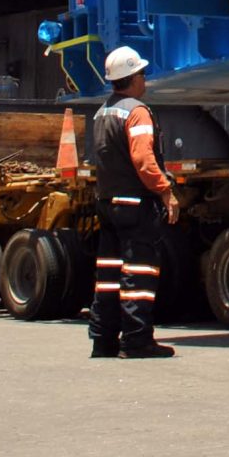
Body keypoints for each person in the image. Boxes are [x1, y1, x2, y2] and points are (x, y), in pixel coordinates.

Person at [87, 47, 178, 359]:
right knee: (139, 273)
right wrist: (165, 190)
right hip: (135, 204)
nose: (145, 80)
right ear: (133, 77)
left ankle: (104, 340)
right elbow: (143, 159)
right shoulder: (137, 111)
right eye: (142, 74)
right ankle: (137, 341)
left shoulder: (103, 113)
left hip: (107, 202)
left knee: (109, 276)